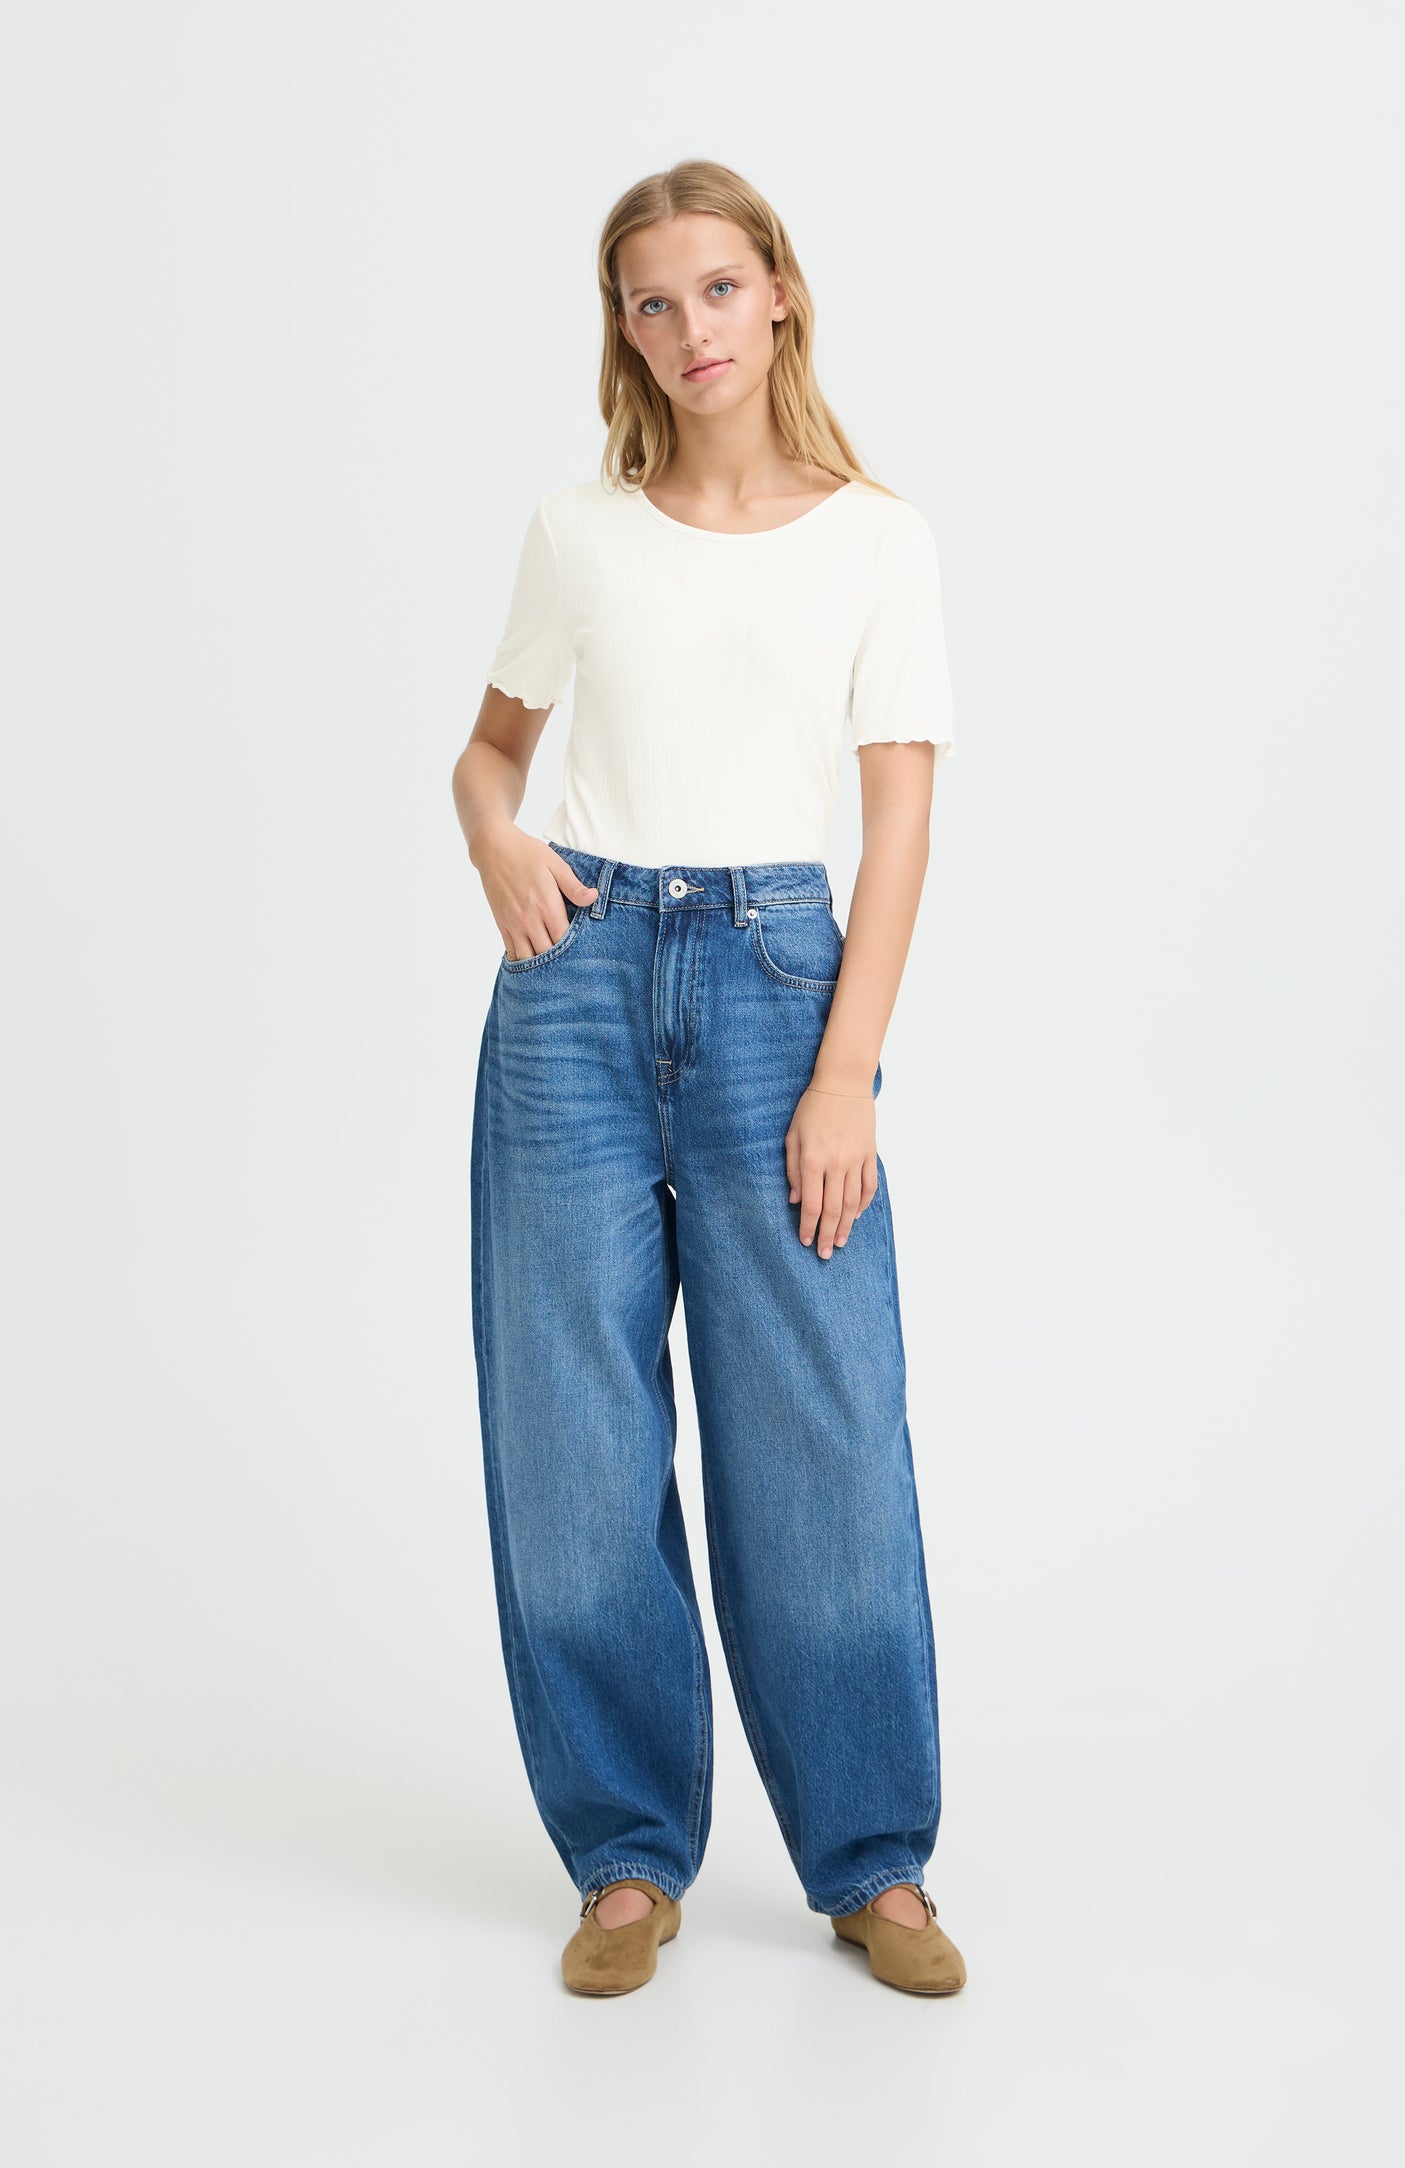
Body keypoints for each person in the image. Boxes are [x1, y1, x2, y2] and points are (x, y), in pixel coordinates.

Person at [451, 159, 967, 2000]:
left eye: (720, 290)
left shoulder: (873, 538)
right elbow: (487, 760)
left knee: (817, 1429)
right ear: (625, 330)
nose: (690, 333)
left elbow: (897, 829)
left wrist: (849, 1081)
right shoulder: (577, 530)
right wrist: (500, 850)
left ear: (781, 299)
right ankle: (621, 1857)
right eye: (651, 304)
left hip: (774, 976)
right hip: (573, 990)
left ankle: (870, 1862)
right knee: (568, 1431)